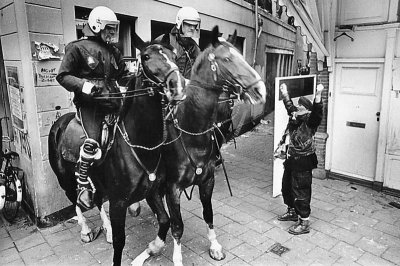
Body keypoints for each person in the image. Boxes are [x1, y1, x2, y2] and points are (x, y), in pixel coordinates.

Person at [56, 6, 130, 210]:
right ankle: (82, 186)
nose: (113, 33)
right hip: (91, 106)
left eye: (114, 29)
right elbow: (62, 75)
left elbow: (123, 75)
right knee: (93, 141)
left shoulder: (114, 50)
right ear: (97, 26)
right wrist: (84, 85)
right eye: (109, 28)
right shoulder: (77, 47)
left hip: (114, 103)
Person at [277, 82, 324, 235]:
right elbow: (289, 106)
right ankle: (292, 211)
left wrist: (318, 96)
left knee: (301, 191)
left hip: (303, 161)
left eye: (301, 107)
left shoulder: (310, 122)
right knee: (287, 187)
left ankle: (304, 222)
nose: (297, 109)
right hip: (292, 159)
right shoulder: (296, 117)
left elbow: (318, 113)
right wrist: (284, 93)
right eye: (298, 107)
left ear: (307, 111)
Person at [156, 6, 201, 79]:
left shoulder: (195, 48)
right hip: (169, 86)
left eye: (194, 25)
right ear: (179, 24)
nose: (192, 28)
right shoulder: (164, 40)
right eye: (189, 24)